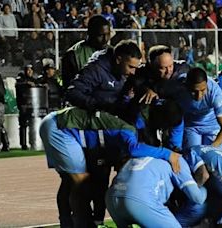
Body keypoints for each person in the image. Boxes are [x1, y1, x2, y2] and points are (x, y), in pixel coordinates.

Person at [39, 106, 182, 228]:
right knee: (80, 181)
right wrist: (167, 154)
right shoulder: (128, 128)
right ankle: (80, 224)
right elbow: (134, 149)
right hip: (60, 128)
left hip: (61, 123)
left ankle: (79, 222)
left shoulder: (130, 121)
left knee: (75, 181)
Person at [65, 39, 142, 226]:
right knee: (90, 181)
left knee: (114, 177)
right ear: (118, 59)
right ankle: (83, 222)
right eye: (131, 67)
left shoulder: (127, 72)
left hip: (113, 132)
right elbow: (72, 92)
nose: (133, 72)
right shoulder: (96, 69)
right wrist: (99, 106)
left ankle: (105, 220)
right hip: (93, 133)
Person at [105, 156, 207, 227]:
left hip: (112, 199)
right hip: (139, 199)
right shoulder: (179, 161)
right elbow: (197, 197)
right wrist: (206, 189)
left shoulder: (149, 157)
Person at [177, 67, 222, 151]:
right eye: (194, 91)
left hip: (213, 128)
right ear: (187, 85)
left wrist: (212, 148)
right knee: (193, 157)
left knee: (213, 158)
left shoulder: (216, 95)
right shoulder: (178, 86)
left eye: (203, 90)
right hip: (191, 127)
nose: (199, 96)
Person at [61, 15, 111, 92]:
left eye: (108, 34)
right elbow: (69, 88)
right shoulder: (73, 55)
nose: (105, 39)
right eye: (100, 35)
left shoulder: (112, 52)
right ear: (90, 33)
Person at [15, 64, 39, 150]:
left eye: (31, 70)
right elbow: (18, 85)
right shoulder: (21, 79)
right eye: (28, 70)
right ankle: (23, 144)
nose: (29, 71)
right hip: (23, 105)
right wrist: (27, 83)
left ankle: (33, 142)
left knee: (33, 124)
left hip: (33, 106)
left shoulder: (34, 80)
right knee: (23, 125)